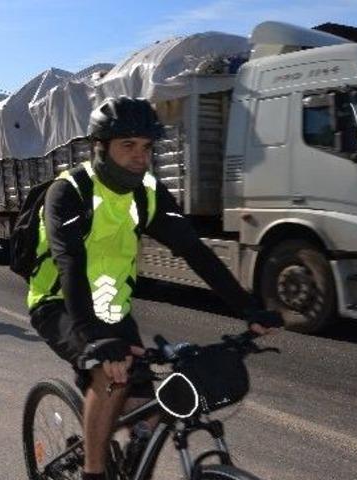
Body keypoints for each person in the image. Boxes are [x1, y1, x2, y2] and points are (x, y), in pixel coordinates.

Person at [26, 96, 283, 480]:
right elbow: (70, 265)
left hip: (113, 306)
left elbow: (194, 250)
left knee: (150, 401)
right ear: (101, 147)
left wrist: (247, 307)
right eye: (127, 145)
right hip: (60, 303)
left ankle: (124, 451)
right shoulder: (71, 191)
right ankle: (94, 471)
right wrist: (94, 338)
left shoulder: (146, 192)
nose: (140, 157)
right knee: (110, 375)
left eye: (146, 147)